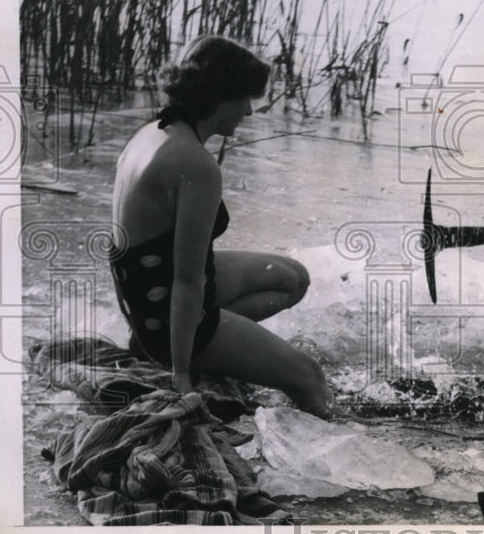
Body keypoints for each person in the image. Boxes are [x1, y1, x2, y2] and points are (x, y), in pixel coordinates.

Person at [109, 35, 334, 417]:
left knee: (291, 277)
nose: (248, 111)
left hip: (144, 299)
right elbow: (187, 280)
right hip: (168, 315)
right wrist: (180, 376)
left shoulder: (154, 131)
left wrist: (141, 323)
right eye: (245, 98)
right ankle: (333, 446)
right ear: (221, 97)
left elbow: (128, 250)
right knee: (309, 377)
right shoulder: (195, 164)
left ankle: (213, 346)